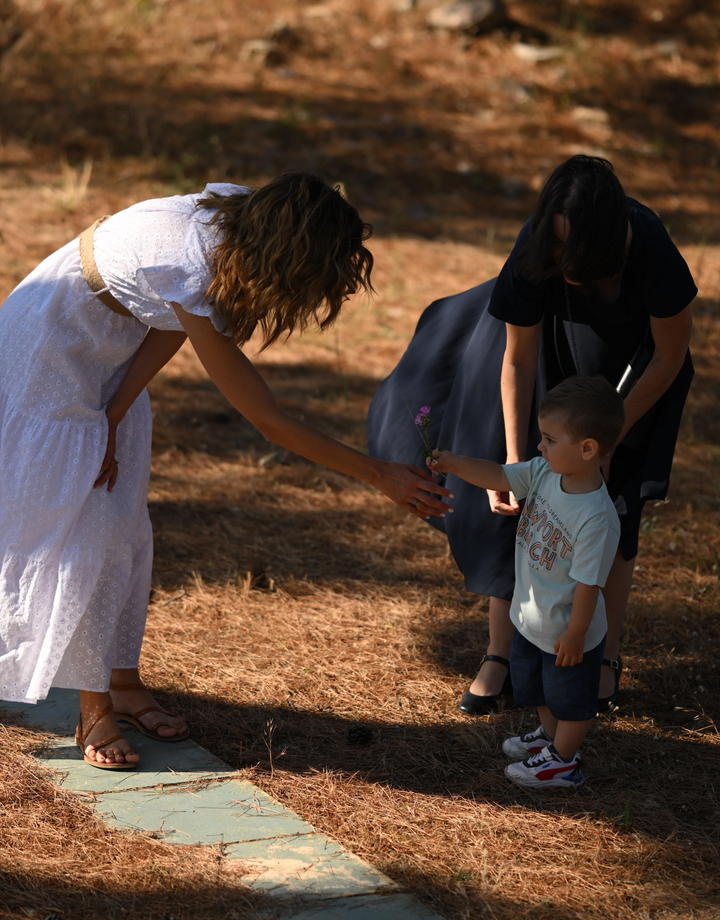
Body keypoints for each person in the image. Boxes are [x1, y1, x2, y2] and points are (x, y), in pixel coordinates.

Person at [0, 173, 452, 770]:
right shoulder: (192, 256)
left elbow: (170, 318)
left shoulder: (234, 223)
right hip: (49, 352)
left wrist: (114, 411)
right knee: (88, 527)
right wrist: (379, 475)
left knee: (125, 520)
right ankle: (94, 708)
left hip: (108, 357)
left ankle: (123, 681)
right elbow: (266, 417)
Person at [368, 156, 696, 714]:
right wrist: (518, 459)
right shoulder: (535, 250)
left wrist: (609, 437)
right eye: (557, 247)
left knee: (612, 511)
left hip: (633, 381)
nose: (565, 260)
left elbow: (669, 356)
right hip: (545, 359)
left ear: (611, 239)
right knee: (522, 511)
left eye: (577, 251)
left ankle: (605, 657)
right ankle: (501, 653)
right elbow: (516, 360)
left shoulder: (650, 248)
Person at [429, 376, 623, 787]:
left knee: (571, 700)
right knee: (538, 688)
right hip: (532, 618)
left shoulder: (596, 518)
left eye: (550, 439)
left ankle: (564, 762)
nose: (540, 446)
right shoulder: (543, 473)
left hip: (568, 632)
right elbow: (499, 474)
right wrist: (454, 463)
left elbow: (589, 585)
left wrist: (575, 632)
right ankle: (549, 739)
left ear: (587, 449)